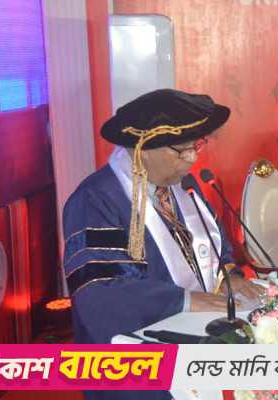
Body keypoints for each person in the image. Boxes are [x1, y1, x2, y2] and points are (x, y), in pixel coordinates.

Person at [62, 89, 264, 347]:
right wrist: (184, 301)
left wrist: (228, 278)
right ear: (143, 150)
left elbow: (217, 246)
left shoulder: (182, 185)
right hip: (136, 354)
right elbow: (100, 294)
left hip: (199, 332)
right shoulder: (95, 201)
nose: (193, 158)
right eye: (182, 150)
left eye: (196, 146)